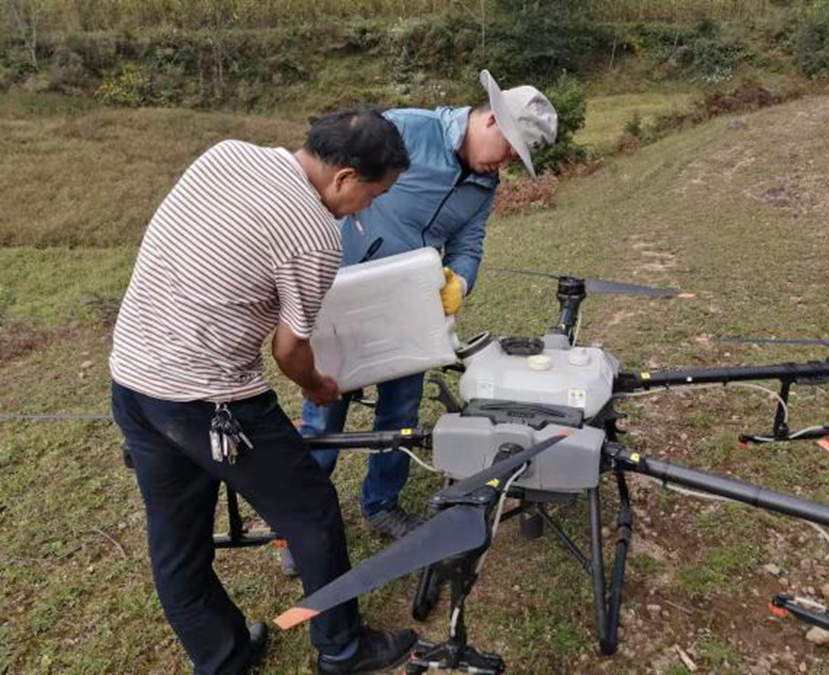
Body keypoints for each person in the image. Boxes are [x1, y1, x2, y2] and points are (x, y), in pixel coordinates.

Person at [110, 110, 418, 675]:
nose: (369, 207)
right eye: (374, 193)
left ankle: (223, 657)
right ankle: (342, 649)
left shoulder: (226, 152)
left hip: (132, 379)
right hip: (212, 401)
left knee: (177, 541)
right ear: (345, 178)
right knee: (313, 512)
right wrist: (318, 387)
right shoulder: (314, 235)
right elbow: (289, 350)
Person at [289, 70, 558, 567]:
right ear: (491, 121)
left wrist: (462, 281)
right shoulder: (409, 129)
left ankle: (381, 504)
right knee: (324, 408)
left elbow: (469, 243)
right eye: (508, 150)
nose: (505, 164)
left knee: (402, 410)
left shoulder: (484, 186)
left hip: (407, 305)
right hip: (343, 290)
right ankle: (301, 523)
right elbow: (334, 175)